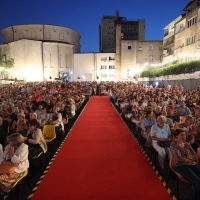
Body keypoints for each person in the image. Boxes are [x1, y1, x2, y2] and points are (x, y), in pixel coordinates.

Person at [170, 128, 200, 200]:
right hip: (179, 165)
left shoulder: (187, 144)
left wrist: (189, 158)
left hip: (191, 164)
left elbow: (195, 156)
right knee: (198, 181)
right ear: (176, 136)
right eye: (182, 135)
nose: (184, 137)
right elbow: (179, 159)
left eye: (185, 135)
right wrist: (189, 157)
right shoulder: (173, 144)